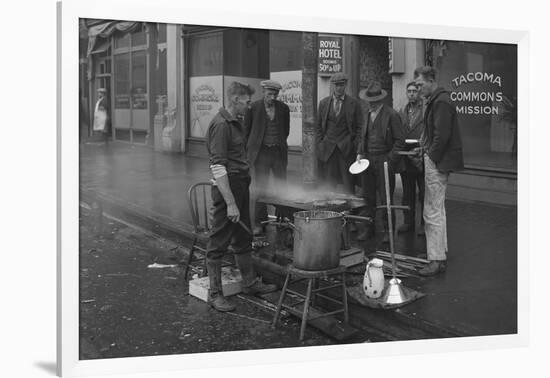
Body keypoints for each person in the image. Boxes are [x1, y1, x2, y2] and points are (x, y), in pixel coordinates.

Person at [205, 82, 277, 312]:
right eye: (246, 101)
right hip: (228, 189)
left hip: (240, 186)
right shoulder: (221, 125)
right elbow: (218, 167)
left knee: (243, 237)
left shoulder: (237, 122)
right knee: (218, 242)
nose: (249, 104)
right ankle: (214, 293)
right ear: (235, 99)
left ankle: (249, 283)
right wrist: (231, 203)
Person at [413, 66, 464, 276]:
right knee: (438, 209)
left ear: (431, 80)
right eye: (415, 85)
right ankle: (439, 253)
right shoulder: (438, 100)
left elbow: (441, 137)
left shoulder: (441, 101)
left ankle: (435, 260)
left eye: (420, 84)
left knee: (431, 211)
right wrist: (424, 148)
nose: (417, 89)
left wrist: (430, 157)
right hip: (439, 161)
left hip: (438, 163)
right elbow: (436, 134)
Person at [356, 81, 406, 243]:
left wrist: (390, 160)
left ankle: (387, 231)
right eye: (369, 102)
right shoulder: (366, 114)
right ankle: (368, 229)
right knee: (368, 197)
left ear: (380, 101)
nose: (370, 104)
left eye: (374, 102)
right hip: (367, 160)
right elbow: (362, 136)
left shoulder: (391, 115)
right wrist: (359, 153)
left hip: (384, 160)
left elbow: (400, 141)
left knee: (386, 198)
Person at [244, 80, 290, 235]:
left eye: (275, 94)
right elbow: (246, 131)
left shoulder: (283, 109)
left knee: (282, 189)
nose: (272, 97)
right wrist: (247, 153)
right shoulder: (253, 108)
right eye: (269, 94)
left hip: (278, 154)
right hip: (260, 154)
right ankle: (258, 223)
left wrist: (277, 143)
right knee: (260, 189)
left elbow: (286, 131)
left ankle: (283, 221)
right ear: (263, 92)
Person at [316, 73, 363, 194]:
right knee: (328, 184)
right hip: (328, 149)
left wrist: (354, 145)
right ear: (333, 86)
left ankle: (350, 210)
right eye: (336, 85)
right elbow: (318, 127)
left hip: (346, 150)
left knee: (348, 183)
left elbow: (360, 128)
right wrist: (321, 143)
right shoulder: (324, 103)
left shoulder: (354, 104)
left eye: (341, 85)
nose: (339, 88)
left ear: (345, 85)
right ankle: (330, 210)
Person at [397, 81, 425, 235]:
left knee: (423, 193)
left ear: (419, 93)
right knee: (407, 193)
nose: (412, 93)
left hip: (421, 157)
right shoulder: (402, 111)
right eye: (409, 91)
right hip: (406, 157)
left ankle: (423, 224)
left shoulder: (425, 111)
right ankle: (408, 222)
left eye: (415, 91)